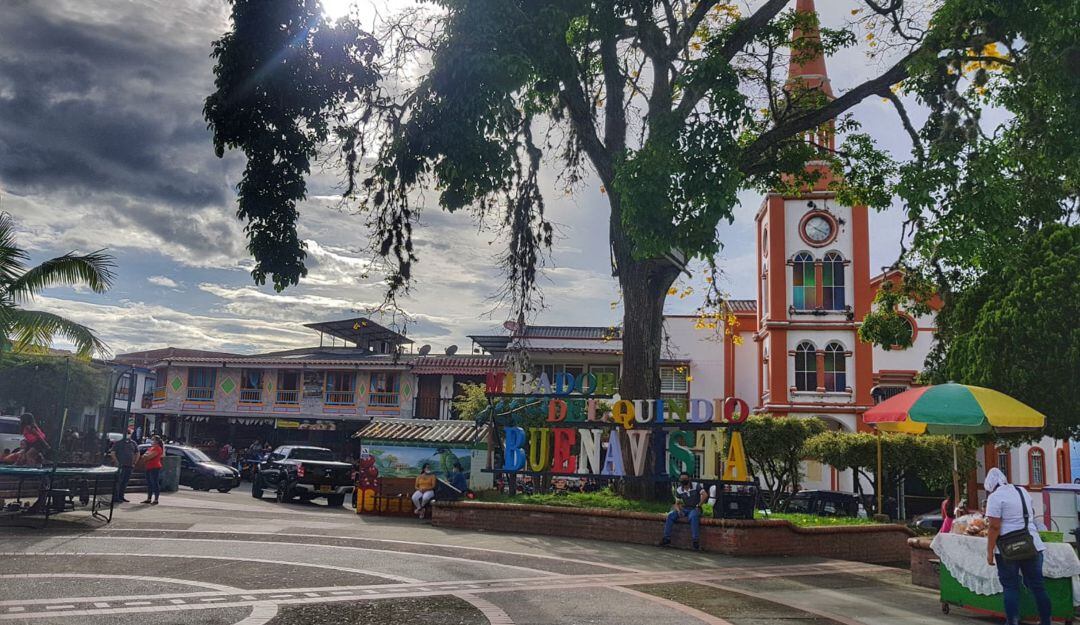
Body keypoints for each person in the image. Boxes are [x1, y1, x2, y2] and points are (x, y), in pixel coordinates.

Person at [985, 467, 1051, 625]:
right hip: (1031, 543)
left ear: (990, 485)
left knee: (1010, 586)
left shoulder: (995, 497)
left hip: (1008, 549)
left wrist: (989, 552)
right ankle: (1046, 621)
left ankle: (1013, 621)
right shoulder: (1022, 491)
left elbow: (994, 527)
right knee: (1038, 586)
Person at [659, 471, 708, 551]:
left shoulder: (696, 486)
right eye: (681, 479)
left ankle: (695, 541)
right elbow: (677, 503)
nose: (683, 480)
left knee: (693, 516)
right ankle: (666, 538)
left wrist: (699, 505)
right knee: (671, 515)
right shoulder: (679, 490)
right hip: (685, 508)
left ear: (689, 479)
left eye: (685, 479)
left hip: (695, 508)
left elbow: (705, 495)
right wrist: (678, 510)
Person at [109, 433, 140, 503]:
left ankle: (121, 496)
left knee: (125, 482)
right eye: (127, 433)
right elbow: (113, 452)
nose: (128, 435)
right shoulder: (119, 443)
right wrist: (117, 462)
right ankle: (116, 497)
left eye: (129, 433)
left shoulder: (133, 443)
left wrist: (135, 462)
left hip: (129, 466)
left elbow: (137, 453)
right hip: (121, 466)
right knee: (119, 482)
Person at [141, 435, 165, 505]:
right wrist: (146, 456)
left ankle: (156, 499)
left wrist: (146, 456)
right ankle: (149, 498)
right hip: (148, 467)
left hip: (155, 467)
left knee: (155, 483)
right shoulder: (151, 448)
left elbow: (149, 456)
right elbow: (144, 456)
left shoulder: (158, 448)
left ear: (157, 441)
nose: (151, 441)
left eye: (153, 440)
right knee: (149, 483)